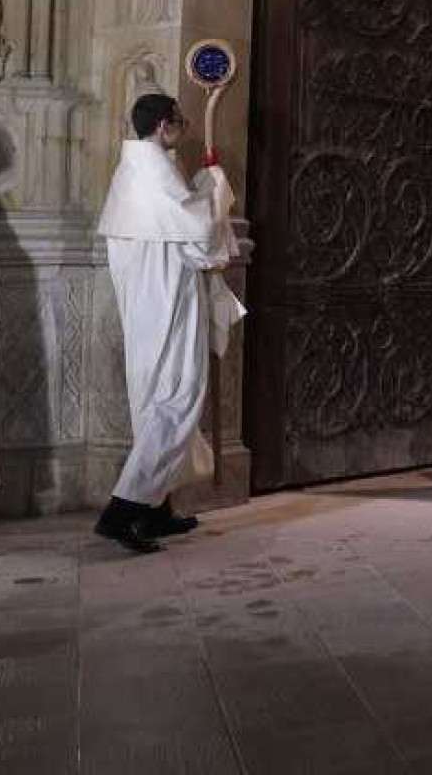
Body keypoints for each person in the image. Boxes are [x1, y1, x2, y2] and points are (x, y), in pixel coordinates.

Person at [94, 92, 241, 553]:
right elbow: (198, 233)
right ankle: (124, 510)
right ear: (163, 125)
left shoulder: (143, 167)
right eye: (180, 121)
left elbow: (182, 224)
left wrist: (198, 186)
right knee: (175, 396)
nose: (186, 128)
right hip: (164, 299)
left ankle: (155, 511)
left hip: (156, 296)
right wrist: (214, 186)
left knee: (156, 400)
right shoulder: (153, 170)